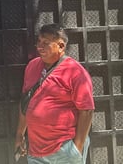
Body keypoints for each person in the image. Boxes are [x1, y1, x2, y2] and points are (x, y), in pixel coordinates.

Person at [14, 23, 94, 164]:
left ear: (61, 46)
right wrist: (20, 134)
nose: (40, 47)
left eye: (46, 43)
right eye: (39, 41)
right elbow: (25, 101)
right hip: (36, 151)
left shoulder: (75, 71)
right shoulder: (32, 66)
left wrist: (77, 148)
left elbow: (86, 110)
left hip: (64, 149)